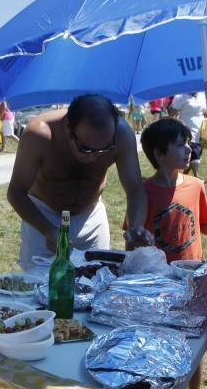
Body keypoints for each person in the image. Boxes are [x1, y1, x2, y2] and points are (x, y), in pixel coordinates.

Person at [8, 93, 153, 270]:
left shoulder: (122, 135)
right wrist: (47, 229)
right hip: (43, 215)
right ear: (68, 128)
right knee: (40, 285)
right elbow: (16, 192)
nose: (94, 157)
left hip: (90, 216)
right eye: (85, 148)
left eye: (105, 149)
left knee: (97, 281)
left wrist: (136, 226)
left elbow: (135, 190)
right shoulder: (39, 134)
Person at [138, 117, 207, 389]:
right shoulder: (144, 191)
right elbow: (136, 235)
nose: (188, 150)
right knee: (163, 338)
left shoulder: (196, 185)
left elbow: (206, 225)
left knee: (195, 339)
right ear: (159, 155)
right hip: (159, 282)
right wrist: (138, 238)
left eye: (188, 143)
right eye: (180, 145)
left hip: (193, 277)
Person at [169, 91, 207, 176]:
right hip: (187, 127)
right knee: (194, 150)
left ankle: (185, 174)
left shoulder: (202, 94)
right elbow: (172, 113)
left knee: (198, 150)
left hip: (200, 128)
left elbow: (204, 111)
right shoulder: (181, 96)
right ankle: (196, 175)